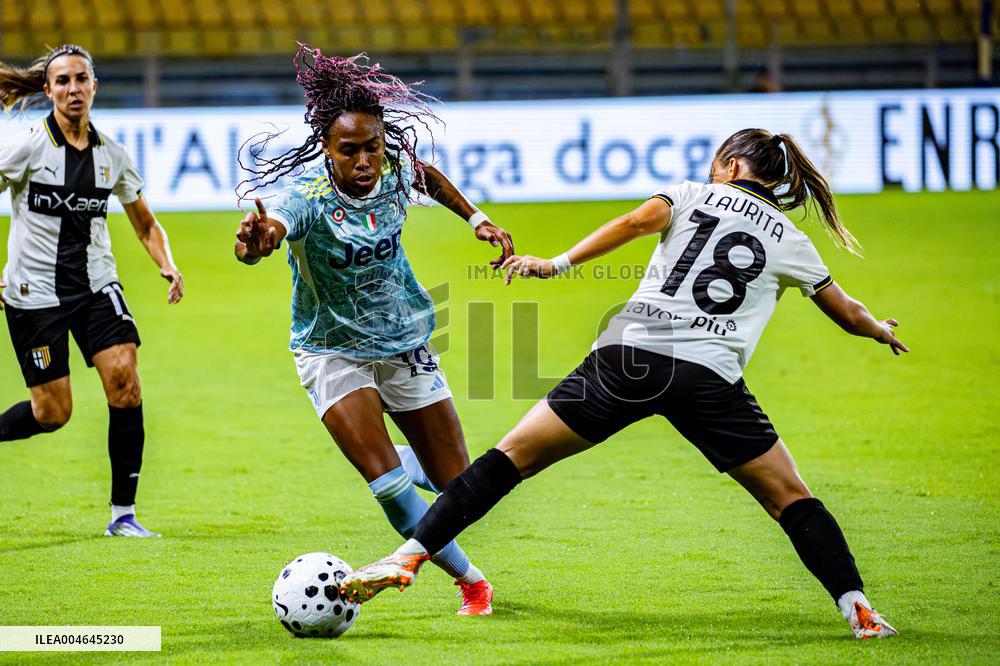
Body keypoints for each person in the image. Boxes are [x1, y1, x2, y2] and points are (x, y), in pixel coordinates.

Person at [340, 129, 907, 639]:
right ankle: (857, 607)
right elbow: (847, 312)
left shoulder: (690, 195)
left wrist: (557, 263)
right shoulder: (791, 239)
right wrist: (878, 330)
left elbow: (634, 223)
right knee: (791, 499)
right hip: (709, 379)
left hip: (627, 359)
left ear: (733, 166)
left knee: (511, 458)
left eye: (717, 164)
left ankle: (409, 555)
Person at [234, 46, 514, 616]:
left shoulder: (393, 170)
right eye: (349, 150)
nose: (364, 161)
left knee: (458, 489)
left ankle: (399, 458)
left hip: (404, 340)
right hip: (331, 350)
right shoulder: (305, 196)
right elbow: (270, 231)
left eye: (372, 147)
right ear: (326, 147)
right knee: (389, 488)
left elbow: (426, 176)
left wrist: (478, 219)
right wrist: (256, 244)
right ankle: (473, 583)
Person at [0, 45, 183, 537]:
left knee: (125, 378)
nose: (73, 88)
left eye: (81, 79)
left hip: (96, 286)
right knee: (52, 413)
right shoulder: (26, 148)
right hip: (34, 295)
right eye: (63, 81)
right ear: (48, 90)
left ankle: (123, 515)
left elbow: (146, 224)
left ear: (94, 86)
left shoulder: (113, 156)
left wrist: (166, 263)